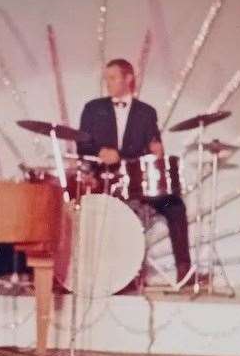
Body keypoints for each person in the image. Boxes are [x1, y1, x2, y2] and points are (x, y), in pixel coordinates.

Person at [77, 58, 192, 283]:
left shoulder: (146, 112)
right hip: (104, 182)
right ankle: (96, 275)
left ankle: (184, 271)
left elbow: (153, 144)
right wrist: (101, 151)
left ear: (128, 79)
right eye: (106, 78)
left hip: (139, 183)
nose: (107, 83)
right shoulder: (93, 109)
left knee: (175, 207)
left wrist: (156, 148)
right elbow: (82, 144)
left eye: (112, 78)